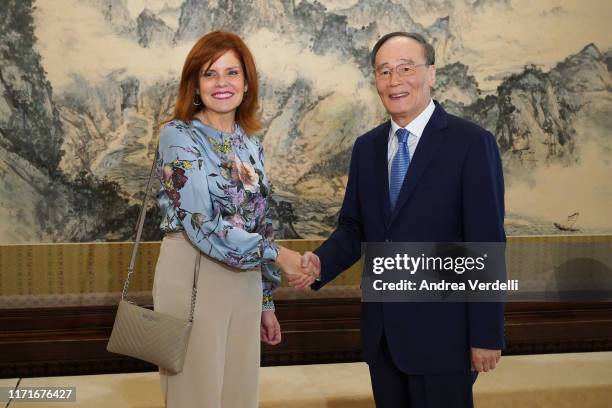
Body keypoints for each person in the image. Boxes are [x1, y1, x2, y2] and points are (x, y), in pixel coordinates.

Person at [290, 32, 506, 408]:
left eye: (406, 68)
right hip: (383, 336)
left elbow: (486, 243)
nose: (394, 81)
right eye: (384, 71)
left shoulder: (470, 143)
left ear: (432, 73)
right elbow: (355, 228)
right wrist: (320, 262)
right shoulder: (366, 148)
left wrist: (487, 334)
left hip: (445, 337)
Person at [152, 31, 305, 408]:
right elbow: (201, 222)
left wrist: (267, 301)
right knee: (195, 396)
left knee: (240, 396)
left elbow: (261, 220)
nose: (222, 83)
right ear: (195, 85)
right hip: (193, 274)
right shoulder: (178, 135)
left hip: (247, 281)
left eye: (232, 72)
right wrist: (280, 256)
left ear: (247, 82)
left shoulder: (251, 143)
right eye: (209, 73)